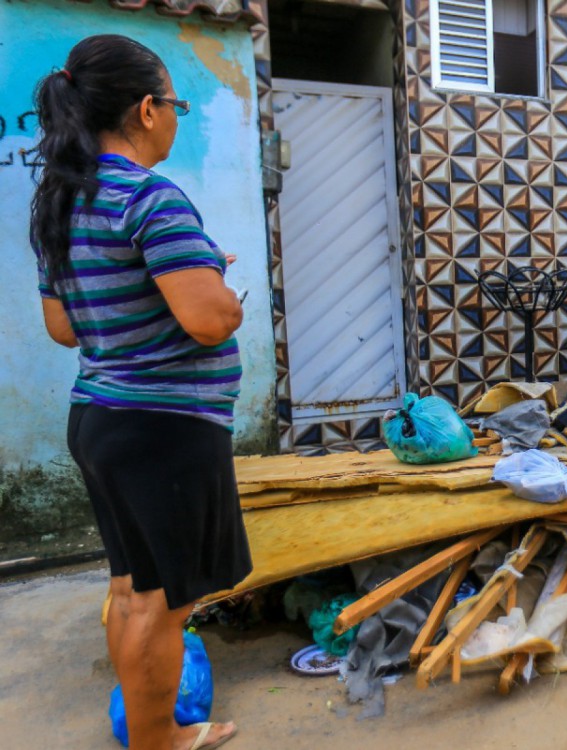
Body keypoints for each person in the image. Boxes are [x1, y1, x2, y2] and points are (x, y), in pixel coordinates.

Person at [30, 35, 248, 749]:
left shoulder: (60, 202)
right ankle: (159, 744)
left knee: (131, 593)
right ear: (148, 108)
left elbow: (63, 327)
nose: (176, 117)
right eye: (176, 104)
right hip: (165, 429)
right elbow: (210, 320)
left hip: (100, 418)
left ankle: (156, 738)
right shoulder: (150, 195)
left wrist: (179, 275)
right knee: (165, 606)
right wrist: (215, 277)